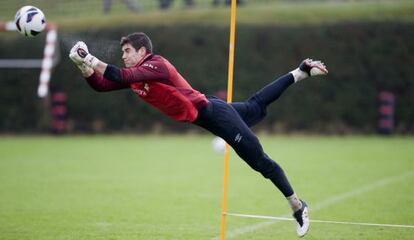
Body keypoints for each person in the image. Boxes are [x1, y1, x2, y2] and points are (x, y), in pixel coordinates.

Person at [69, 32, 328, 237]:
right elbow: (102, 86)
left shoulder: (157, 65)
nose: (123, 55)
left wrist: (89, 57)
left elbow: (119, 73)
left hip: (217, 117)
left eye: (127, 51)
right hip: (209, 115)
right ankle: (301, 71)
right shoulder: (136, 77)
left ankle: (297, 206)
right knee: (255, 106)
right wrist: (82, 66)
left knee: (261, 162)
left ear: (143, 52)